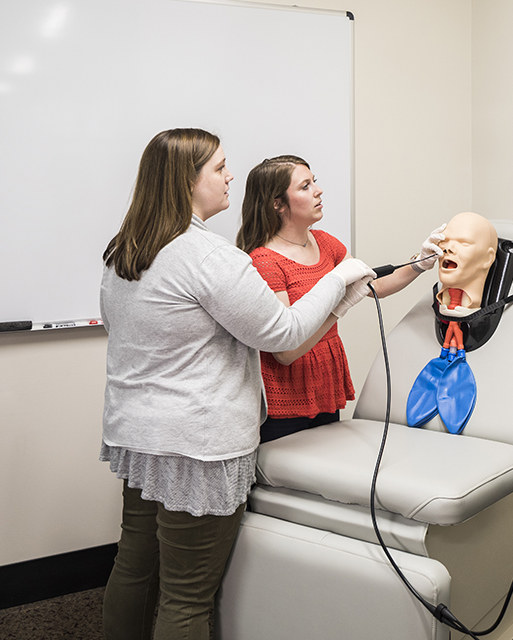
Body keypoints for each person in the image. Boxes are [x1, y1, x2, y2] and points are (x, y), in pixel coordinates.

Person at [99, 129, 374, 640]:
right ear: (188, 181)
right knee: (186, 598)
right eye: (220, 169)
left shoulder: (127, 249)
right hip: (196, 447)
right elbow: (284, 333)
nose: (230, 177)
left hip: (137, 435)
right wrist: (338, 279)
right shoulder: (209, 256)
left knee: (135, 568)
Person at [237, 155, 445, 443]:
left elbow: (374, 285)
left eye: (315, 183)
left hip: (323, 384)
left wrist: (420, 263)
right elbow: (286, 351)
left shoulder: (325, 242)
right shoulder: (264, 261)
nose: (318, 191)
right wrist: (339, 308)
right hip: (285, 395)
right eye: (305, 186)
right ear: (278, 204)